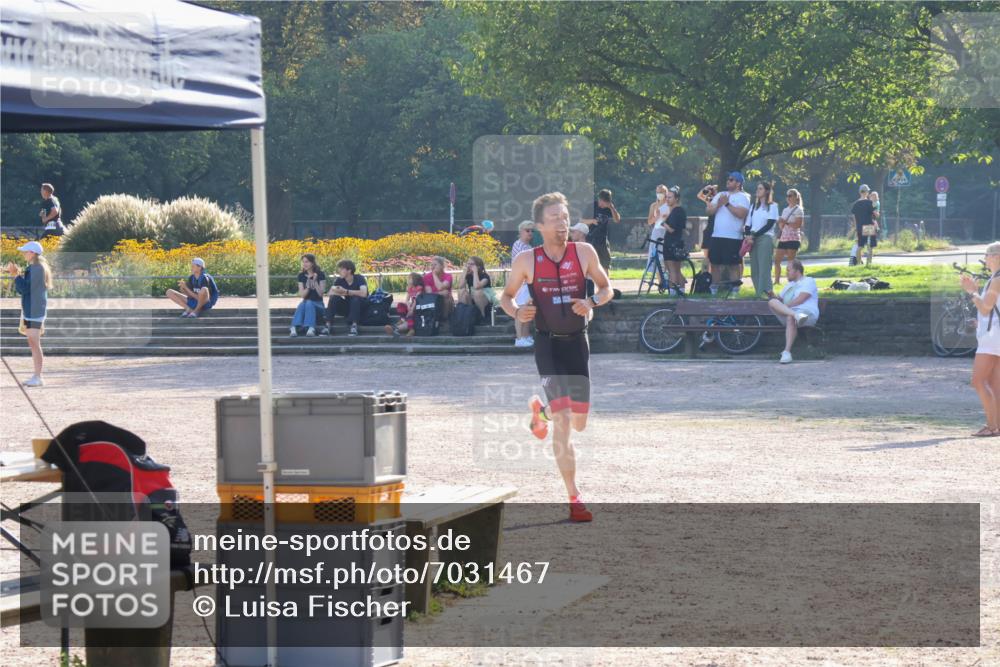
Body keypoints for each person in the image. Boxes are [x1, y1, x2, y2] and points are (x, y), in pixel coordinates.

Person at [500, 191, 614, 523]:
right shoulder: (527, 260)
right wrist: (518, 312)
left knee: (579, 422)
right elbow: (506, 298)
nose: (562, 224)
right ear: (539, 225)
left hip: (577, 342)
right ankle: (574, 498)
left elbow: (607, 289)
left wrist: (591, 303)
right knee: (565, 419)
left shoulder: (584, 252)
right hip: (547, 344)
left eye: (565, 218)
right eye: (555, 219)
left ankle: (541, 412)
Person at [960, 242, 1000, 437]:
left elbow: (986, 308)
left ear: (996, 256)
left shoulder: (997, 279)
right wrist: (981, 322)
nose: (985, 258)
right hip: (994, 333)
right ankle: (995, 425)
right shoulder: (994, 278)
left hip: (993, 337)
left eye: (987, 255)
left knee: (978, 381)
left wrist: (972, 292)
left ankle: (992, 426)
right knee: (994, 383)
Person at [6, 241, 51, 386]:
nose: (24, 254)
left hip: (34, 310)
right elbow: (25, 288)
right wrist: (17, 275)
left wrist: (16, 275)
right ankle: (37, 376)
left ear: (32, 253)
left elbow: (24, 288)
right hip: (31, 310)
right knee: (32, 342)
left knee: (34, 343)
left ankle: (38, 377)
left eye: (26, 252)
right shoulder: (35, 267)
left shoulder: (37, 268)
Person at [767, 259, 819, 364]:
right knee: (772, 302)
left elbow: (801, 299)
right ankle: (796, 315)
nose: (786, 273)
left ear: (797, 271)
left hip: (807, 314)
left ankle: (786, 352)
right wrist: (773, 297)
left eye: (788, 270)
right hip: (792, 313)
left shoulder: (809, 281)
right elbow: (780, 301)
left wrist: (784, 306)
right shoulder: (788, 286)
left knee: (791, 317)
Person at [706, 172, 751, 290]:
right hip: (717, 236)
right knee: (714, 263)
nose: (728, 181)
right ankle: (714, 290)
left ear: (738, 183)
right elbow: (709, 211)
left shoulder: (743, 196)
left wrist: (727, 204)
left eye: (731, 180)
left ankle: (735, 291)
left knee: (733, 265)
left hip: (733, 237)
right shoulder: (721, 194)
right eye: (728, 179)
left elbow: (741, 214)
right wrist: (718, 205)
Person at [744, 181, 779, 297]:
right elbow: (748, 224)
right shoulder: (753, 206)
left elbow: (769, 224)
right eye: (757, 188)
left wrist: (753, 236)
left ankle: (768, 291)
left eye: (760, 189)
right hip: (752, 239)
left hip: (765, 238)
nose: (757, 191)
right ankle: (758, 293)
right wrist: (748, 236)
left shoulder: (773, 206)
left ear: (767, 191)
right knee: (754, 267)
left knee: (764, 266)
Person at [326, 259, 369, 337]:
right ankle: (327, 325)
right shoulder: (340, 280)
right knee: (333, 298)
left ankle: (354, 326)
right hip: (347, 308)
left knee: (355, 299)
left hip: (360, 308)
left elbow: (364, 293)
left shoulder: (359, 278)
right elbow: (330, 293)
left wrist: (346, 291)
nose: (339, 271)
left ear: (349, 270)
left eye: (342, 269)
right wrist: (338, 291)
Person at [582, 189, 620, 272]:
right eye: (602, 202)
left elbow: (617, 220)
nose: (603, 205)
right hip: (590, 238)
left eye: (605, 203)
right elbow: (582, 220)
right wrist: (592, 221)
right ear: (599, 199)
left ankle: (606, 284)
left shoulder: (609, 208)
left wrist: (612, 208)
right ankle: (590, 284)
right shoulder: (592, 206)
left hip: (603, 239)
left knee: (605, 264)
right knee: (590, 264)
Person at [290, 254, 328, 337]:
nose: (304, 264)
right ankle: (299, 327)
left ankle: (307, 327)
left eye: (307, 262)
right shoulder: (301, 276)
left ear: (312, 263)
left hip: (318, 305)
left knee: (308, 302)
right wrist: (308, 286)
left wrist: (314, 282)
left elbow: (321, 293)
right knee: (304, 303)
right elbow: (303, 295)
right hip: (306, 304)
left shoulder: (320, 274)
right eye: (303, 262)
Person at [511, 221, 535, 348]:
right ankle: (519, 338)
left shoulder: (528, 246)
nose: (530, 232)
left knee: (528, 311)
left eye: (532, 230)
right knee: (520, 310)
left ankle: (525, 336)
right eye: (527, 230)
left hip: (528, 283)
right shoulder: (519, 245)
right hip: (521, 283)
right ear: (521, 231)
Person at [774, 189, 805, 285]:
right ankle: (777, 281)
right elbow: (782, 226)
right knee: (776, 260)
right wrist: (780, 222)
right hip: (783, 238)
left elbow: (798, 225)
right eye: (787, 195)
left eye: (790, 195)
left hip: (793, 238)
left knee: (790, 262)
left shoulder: (799, 209)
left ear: (796, 197)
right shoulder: (785, 210)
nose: (788, 197)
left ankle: (791, 281)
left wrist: (785, 222)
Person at [661, 186, 688, 294]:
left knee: (672, 270)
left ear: (676, 199)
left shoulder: (677, 211)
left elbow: (672, 229)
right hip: (675, 242)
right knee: (676, 270)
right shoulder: (677, 211)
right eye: (666, 197)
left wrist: (663, 223)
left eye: (670, 197)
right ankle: (681, 292)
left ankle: (672, 294)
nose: (667, 199)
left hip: (672, 243)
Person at [386, 272, 424, 337]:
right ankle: (402, 319)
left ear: (415, 280)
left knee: (410, 314)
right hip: (411, 305)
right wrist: (408, 305)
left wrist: (411, 309)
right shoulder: (410, 289)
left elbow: (416, 300)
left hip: (417, 306)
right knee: (400, 305)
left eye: (410, 278)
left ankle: (411, 329)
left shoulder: (419, 288)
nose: (408, 280)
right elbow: (407, 299)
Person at [456, 255, 494, 319]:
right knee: (461, 291)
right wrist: (464, 272)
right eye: (468, 264)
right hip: (472, 300)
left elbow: (476, 286)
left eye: (472, 264)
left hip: (484, 302)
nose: (469, 266)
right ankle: (465, 315)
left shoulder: (485, 276)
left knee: (477, 292)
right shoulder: (468, 275)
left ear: (478, 267)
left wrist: (475, 272)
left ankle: (482, 316)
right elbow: (460, 286)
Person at [849, 184, 877, 266]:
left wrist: (856, 227)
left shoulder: (856, 204)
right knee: (870, 246)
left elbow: (854, 217)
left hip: (860, 226)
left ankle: (858, 264)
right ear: (867, 192)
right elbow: (874, 215)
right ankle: (869, 264)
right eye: (868, 191)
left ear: (860, 192)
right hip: (869, 226)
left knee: (860, 246)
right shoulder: (870, 203)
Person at [423, 256, 454, 320]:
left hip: (446, 302)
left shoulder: (448, 276)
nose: (433, 267)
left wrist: (434, 275)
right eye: (431, 265)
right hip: (433, 302)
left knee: (446, 298)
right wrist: (441, 293)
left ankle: (445, 320)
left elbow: (440, 287)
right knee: (444, 293)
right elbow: (429, 295)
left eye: (435, 265)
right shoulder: (426, 277)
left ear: (442, 266)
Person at [697, 183, 718, 273]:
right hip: (709, 228)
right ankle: (706, 274)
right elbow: (699, 195)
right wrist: (706, 189)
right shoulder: (710, 200)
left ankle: (713, 274)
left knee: (715, 256)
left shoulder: (721, 201)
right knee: (706, 255)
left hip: (717, 229)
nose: (713, 191)